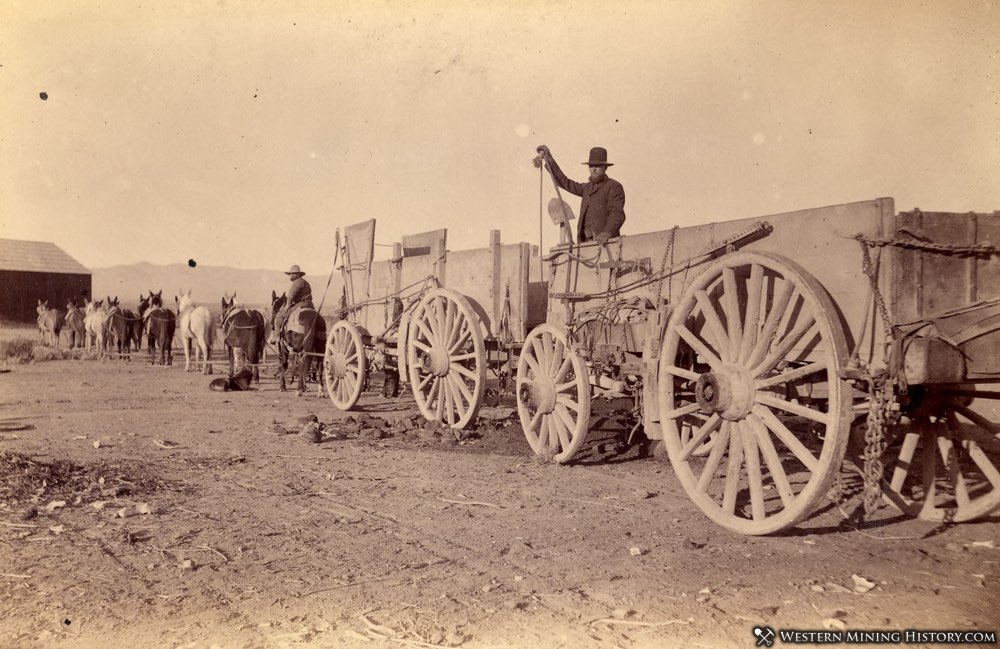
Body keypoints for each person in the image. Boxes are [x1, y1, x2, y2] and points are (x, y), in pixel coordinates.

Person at [535, 145, 626, 244]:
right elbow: (565, 182)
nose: (594, 169)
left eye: (598, 166)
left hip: (605, 244)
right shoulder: (586, 188)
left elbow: (617, 213)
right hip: (584, 244)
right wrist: (550, 159)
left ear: (605, 168)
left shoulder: (614, 187)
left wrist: (608, 232)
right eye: (591, 166)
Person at [274, 265, 314, 334]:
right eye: (290, 274)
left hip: (301, 304)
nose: (290, 275)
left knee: (279, 315)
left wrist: (287, 306)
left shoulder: (297, 282)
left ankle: (276, 336)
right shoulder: (305, 282)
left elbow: (290, 296)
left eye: (292, 273)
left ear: (297, 274)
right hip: (310, 305)